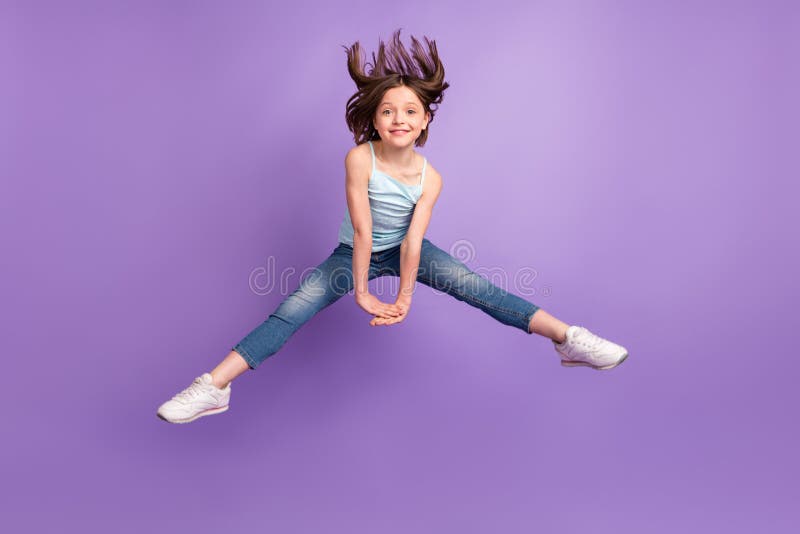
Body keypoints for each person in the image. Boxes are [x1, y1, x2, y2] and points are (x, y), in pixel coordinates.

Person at [157, 29, 629, 424]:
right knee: (291, 311)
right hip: (352, 254)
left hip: (409, 249)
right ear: (374, 121)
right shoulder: (359, 158)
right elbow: (363, 232)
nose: (398, 118)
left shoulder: (431, 177)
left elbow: (414, 240)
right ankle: (213, 387)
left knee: (480, 289)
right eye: (387, 111)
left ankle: (569, 340)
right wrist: (362, 292)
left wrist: (404, 297)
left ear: (425, 120)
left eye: (409, 111)